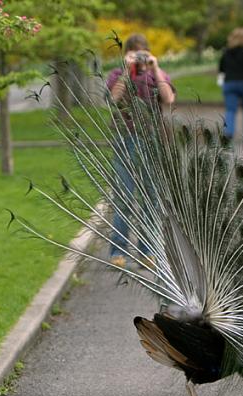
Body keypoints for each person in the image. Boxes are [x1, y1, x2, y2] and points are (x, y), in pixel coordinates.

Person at [106, 33, 175, 268]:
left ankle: (147, 252)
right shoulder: (117, 75)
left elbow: (168, 99)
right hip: (125, 138)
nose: (139, 60)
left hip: (152, 139)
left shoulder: (157, 75)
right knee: (124, 194)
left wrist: (155, 69)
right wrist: (127, 70)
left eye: (142, 54)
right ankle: (117, 250)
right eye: (134, 54)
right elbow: (113, 100)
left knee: (150, 196)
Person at [219, 27, 243, 143]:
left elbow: (221, 68)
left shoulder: (226, 52)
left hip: (229, 83)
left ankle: (228, 132)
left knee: (230, 110)